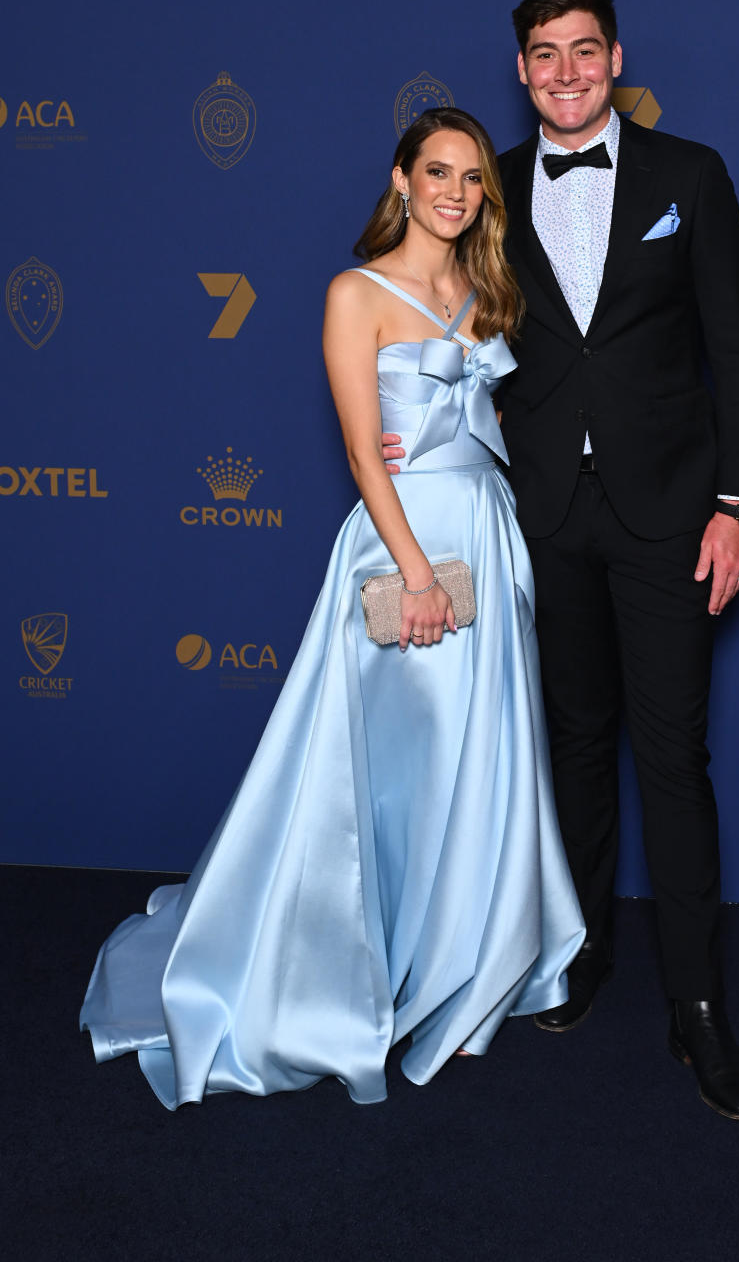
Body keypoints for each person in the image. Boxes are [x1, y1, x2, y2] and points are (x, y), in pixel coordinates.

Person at [80, 108, 585, 1109]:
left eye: (473, 178)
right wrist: (421, 571)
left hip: (485, 533)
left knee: (481, 763)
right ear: (399, 180)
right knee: (393, 768)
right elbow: (364, 452)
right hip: (408, 552)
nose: (454, 192)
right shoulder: (354, 293)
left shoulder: (485, 287)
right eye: (435, 172)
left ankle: (466, 982)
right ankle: (356, 974)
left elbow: (494, 423)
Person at [383, 0, 739, 1120]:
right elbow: (432, 319)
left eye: (583, 52)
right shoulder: (482, 182)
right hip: (540, 514)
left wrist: (737, 507)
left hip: (669, 515)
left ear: (616, 59)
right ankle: (582, 954)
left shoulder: (689, 177)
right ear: (520, 69)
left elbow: (738, 353)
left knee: (673, 760)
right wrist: (400, 422)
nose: (564, 72)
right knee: (571, 749)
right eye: (543, 56)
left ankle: (698, 1008)